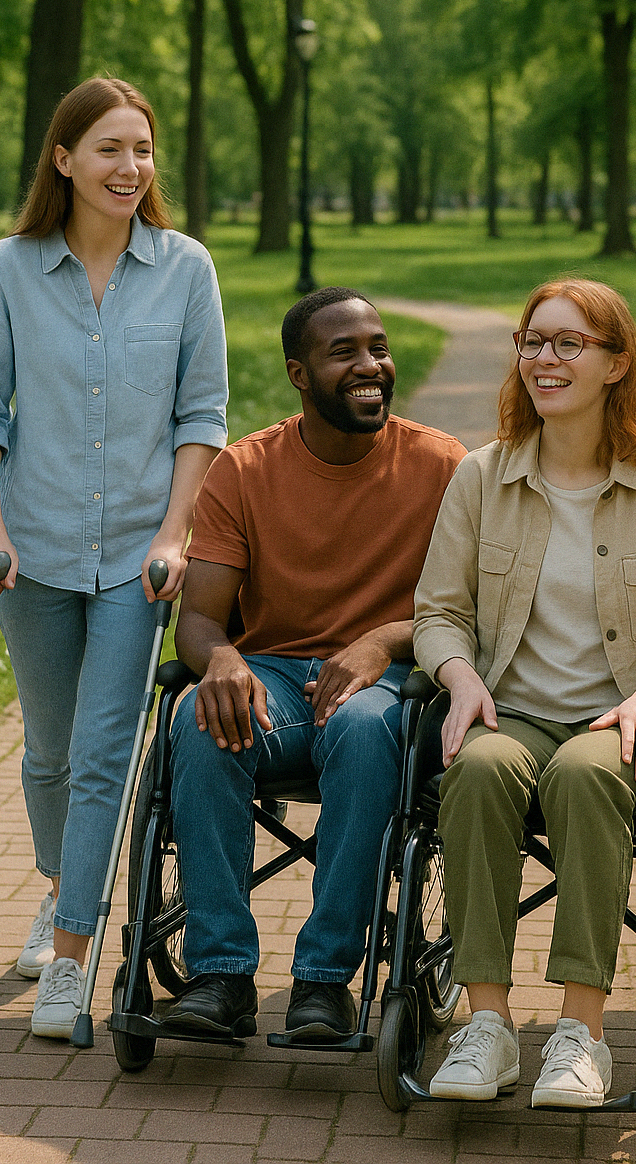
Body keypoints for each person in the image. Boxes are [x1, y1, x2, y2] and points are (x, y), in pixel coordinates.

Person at [413, 279, 636, 1107]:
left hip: (635, 726)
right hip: (515, 710)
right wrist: (457, 679)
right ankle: (487, 1026)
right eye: (533, 342)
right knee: (481, 769)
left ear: (615, 363)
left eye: (570, 344)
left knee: (582, 773)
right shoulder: (481, 478)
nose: (545, 359)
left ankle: (581, 1034)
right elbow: (438, 613)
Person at [0, 77, 229, 1039]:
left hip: (135, 560)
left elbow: (203, 416)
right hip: (34, 545)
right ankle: (62, 887)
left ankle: (72, 956)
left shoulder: (185, 268)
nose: (130, 168)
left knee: (105, 752)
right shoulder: (9, 268)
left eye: (142, 150)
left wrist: (173, 533)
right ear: (63, 159)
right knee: (50, 754)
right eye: (109, 149)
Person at [161, 288, 465, 1043]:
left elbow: (477, 608)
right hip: (272, 675)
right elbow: (197, 619)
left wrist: (384, 641)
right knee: (201, 717)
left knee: (365, 732)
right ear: (299, 373)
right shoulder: (243, 469)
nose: (372, 366)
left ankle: (326, 982)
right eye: (345, 353)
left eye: (379, 348)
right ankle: (220, 973)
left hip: (395, 685)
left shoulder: (444, 466)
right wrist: (222, 661)